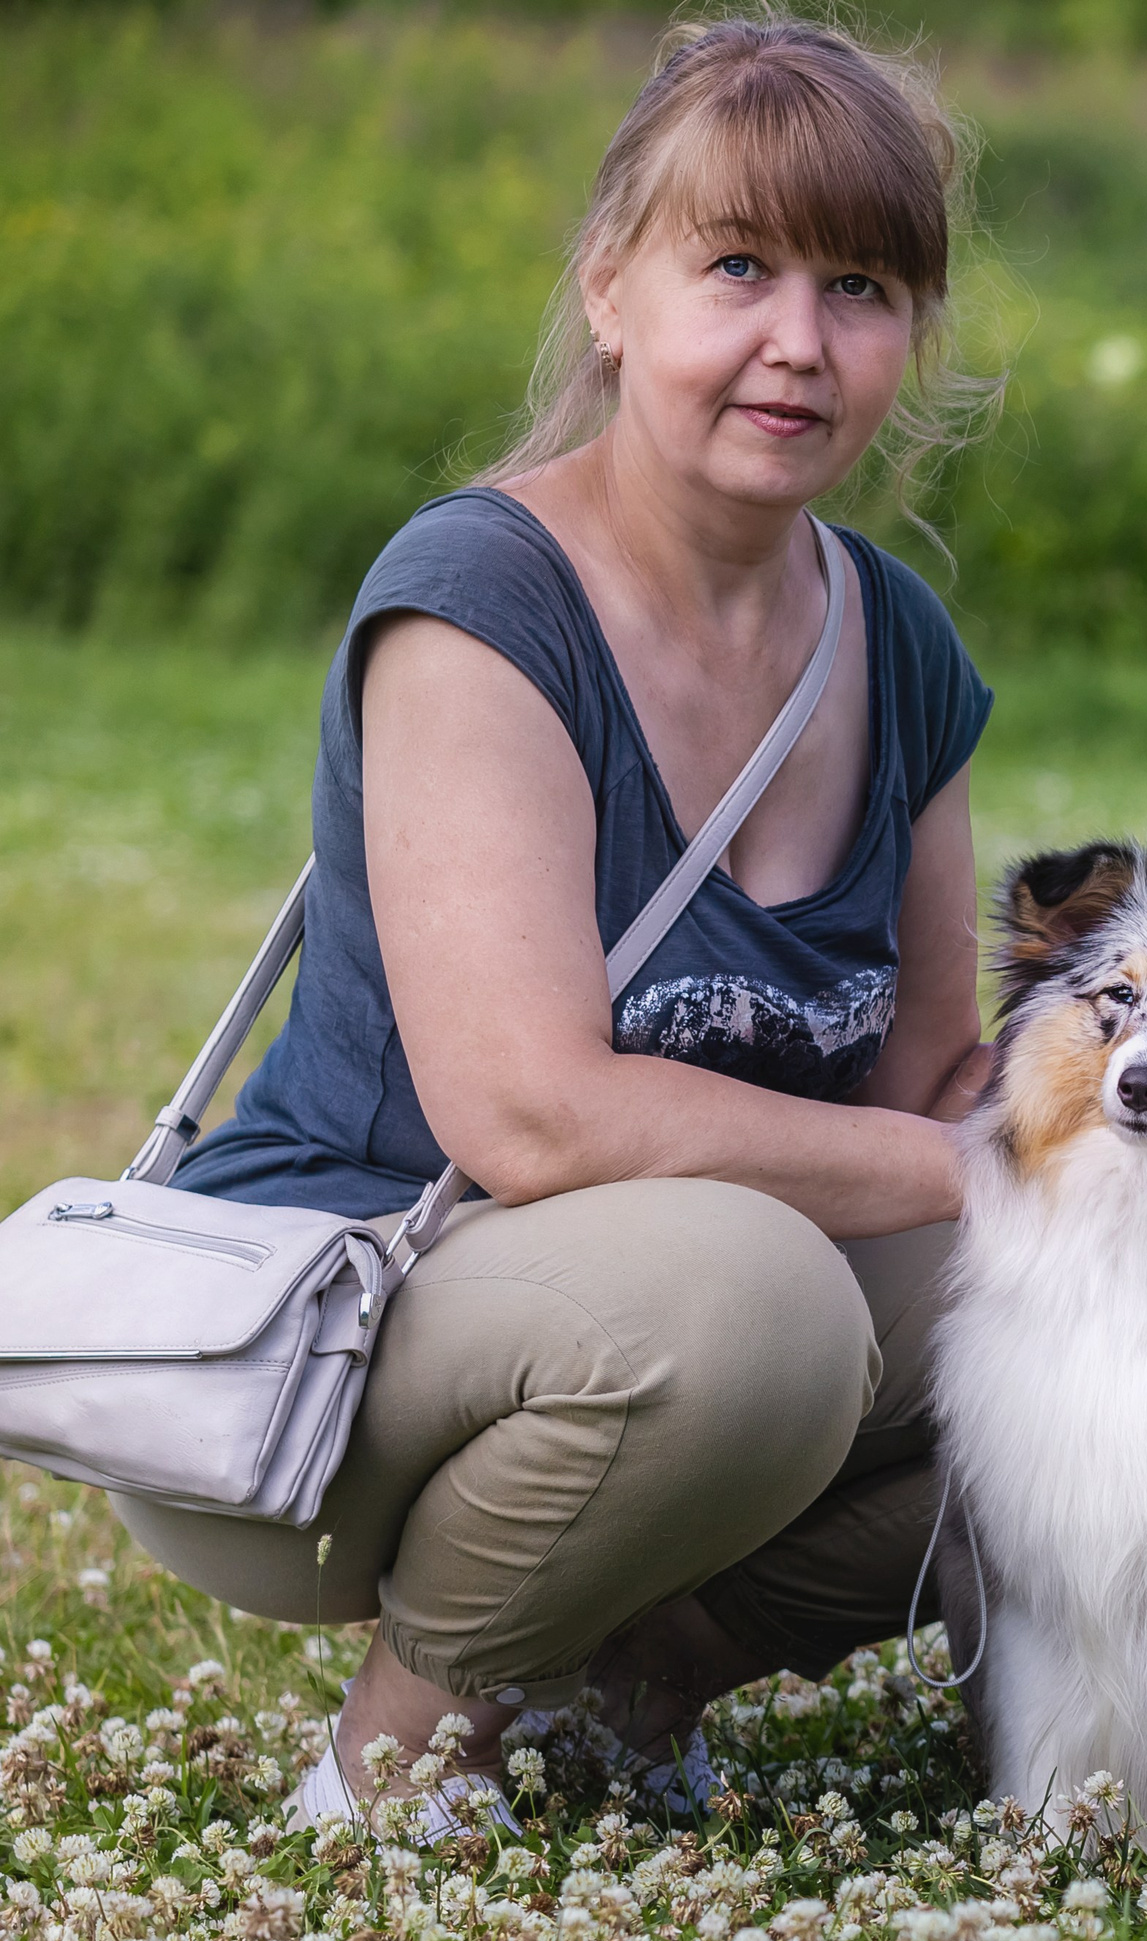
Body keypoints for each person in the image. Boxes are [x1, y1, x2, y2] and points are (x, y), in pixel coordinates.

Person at [119, 10, 996, 1827]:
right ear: (610, 287)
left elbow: (937, 1079)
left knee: (1132, 1294)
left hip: (652, 1334)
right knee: (765, 1305)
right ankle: (396, 1761)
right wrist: (967, 1172)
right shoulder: (479, 599)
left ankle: (643, 1674)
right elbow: (534, 1117)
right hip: (330, 1351)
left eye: (858, 288)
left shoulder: (898, 645)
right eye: (737, 267)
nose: (798, 341)